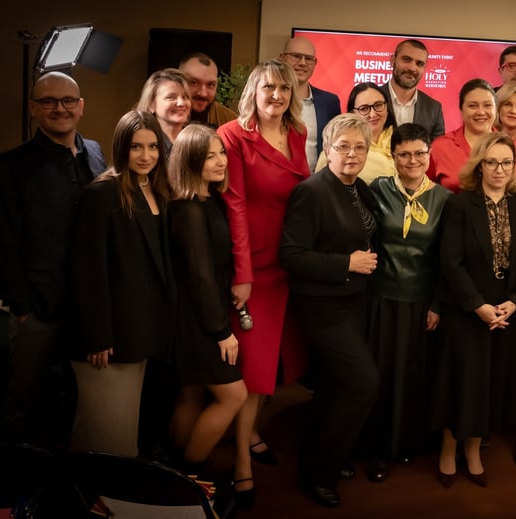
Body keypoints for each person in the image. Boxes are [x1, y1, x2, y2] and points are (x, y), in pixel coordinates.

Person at [0, 71, 106, 446]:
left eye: (68, 100)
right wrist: (22, 307)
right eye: (49, 101)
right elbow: (3, 242)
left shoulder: (95, 153)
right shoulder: (12, 164)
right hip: (37, 307)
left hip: (85, 307)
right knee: (22, 401)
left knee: (74, 400)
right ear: (34, 108)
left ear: (81, 106)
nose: (60, 108)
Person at [217, 58, 311, 504]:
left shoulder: (297, 133)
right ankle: (240, 463)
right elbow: (234, 204)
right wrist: (242, 274)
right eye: (268, 87)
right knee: (252, 369)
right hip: (252, 264)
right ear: (253, 91)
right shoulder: (233, 135)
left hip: (287, 260)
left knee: (271, 362)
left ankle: (252, 432)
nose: (277, 95)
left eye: (284, 88)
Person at [280, 114, 381, 508]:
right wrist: (346, 263)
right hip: (323, 305)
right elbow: (291, 255)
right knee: (363, 382)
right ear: (327, 149)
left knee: (335, 385)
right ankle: (318, 474)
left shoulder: (358, 187)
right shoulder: (312, 191)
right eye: (343, 147)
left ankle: (323, 459)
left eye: (360, 147)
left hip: (354, 302)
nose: (352, 154)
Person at [431, 133, 516, 489]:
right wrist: (478, 306)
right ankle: (449, 449)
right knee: (459, 384)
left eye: (506, 163)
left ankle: (474, 450)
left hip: (506, 311)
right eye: (491, 162)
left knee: (489, 385)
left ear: (515, 167)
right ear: (479, 165)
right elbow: (451, 262)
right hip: (467, 309)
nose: (499, 169)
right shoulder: (460, 205)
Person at [70, 111, 173, 456]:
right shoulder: (102, 193)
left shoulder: (157, 190)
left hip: (144, 330)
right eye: (135, 147)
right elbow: (88, 271)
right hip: (110, 337)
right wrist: (98, 336)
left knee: (125, 435)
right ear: (120, 148)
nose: (146, 156)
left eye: (153, 146)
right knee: (105, 438)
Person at [361, 123, 451, 483]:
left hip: (420, 301)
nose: (412, 160)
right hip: (381, 298)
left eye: (419, 153)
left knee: (413, 375)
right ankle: (376, 447)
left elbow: (446, 259)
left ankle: (407, 441)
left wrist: (437, 304)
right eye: (404, 154)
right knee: (380, 374)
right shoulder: (377, 189)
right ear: (393, 156)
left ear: (429, 155)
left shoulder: (444, 199)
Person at [166, 124, 248, 483]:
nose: (220, 161)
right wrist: (221, 331)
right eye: (209, 156)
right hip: (197, 320)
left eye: (221, 153)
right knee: (234, 395)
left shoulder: (207, 200)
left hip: (196, 315)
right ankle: (191, 471)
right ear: (189, 161)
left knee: (192, 392)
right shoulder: (188, 209)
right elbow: (200, 278)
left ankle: (174, 472)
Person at [428, 79, 516, 193]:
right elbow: (424, 192)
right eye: (472, 106)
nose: (481, 112)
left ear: (496, 109)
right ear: (461, 110)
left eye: (487, 105)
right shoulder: (440, 147)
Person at [280, 36, 342, 172]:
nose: (303, 63)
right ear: (282, 58)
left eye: (308, 59)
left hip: (317, 181)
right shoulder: (272, 100)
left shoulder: (330, 103)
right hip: (278, 179)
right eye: (296, 56)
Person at [323, 82, 397, 184]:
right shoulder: (336, 148)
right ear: (352, 113)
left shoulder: (402, 141)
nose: (373, 114)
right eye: (364, 109)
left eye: (378, 105)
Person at [384, 39, 445, 141]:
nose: (412, 68)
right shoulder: (370, 99)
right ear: (392, 60)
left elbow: (438, 148)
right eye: (406, 59)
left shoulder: (434, 108)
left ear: (424, 69)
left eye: (419, 64)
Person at [179, 52, 238, 129]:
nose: (203, 93)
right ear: (178, 81)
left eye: (210, 84)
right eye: (194, 82)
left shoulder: (229, 120)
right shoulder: (165, 117)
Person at [137, 68, 192, 145]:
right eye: (171, 97)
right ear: (151, 105)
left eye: (185, 97)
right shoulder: (141, 141)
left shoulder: (197, 141)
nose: (181, 103)